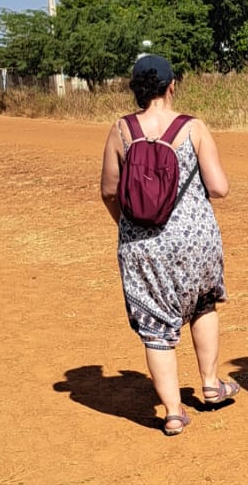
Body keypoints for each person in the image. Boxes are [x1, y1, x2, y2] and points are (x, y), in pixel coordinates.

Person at [99, 53, 235, 436]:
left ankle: (173, 412)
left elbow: (109, 191)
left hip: (142, 244)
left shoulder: (121, 130)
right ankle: (210, 384)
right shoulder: (194, 127)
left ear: (136, 90)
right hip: (194, 238)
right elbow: (220, 188)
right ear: (172, 86)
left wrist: (128, 227)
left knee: (156, 326)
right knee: (203, 302)